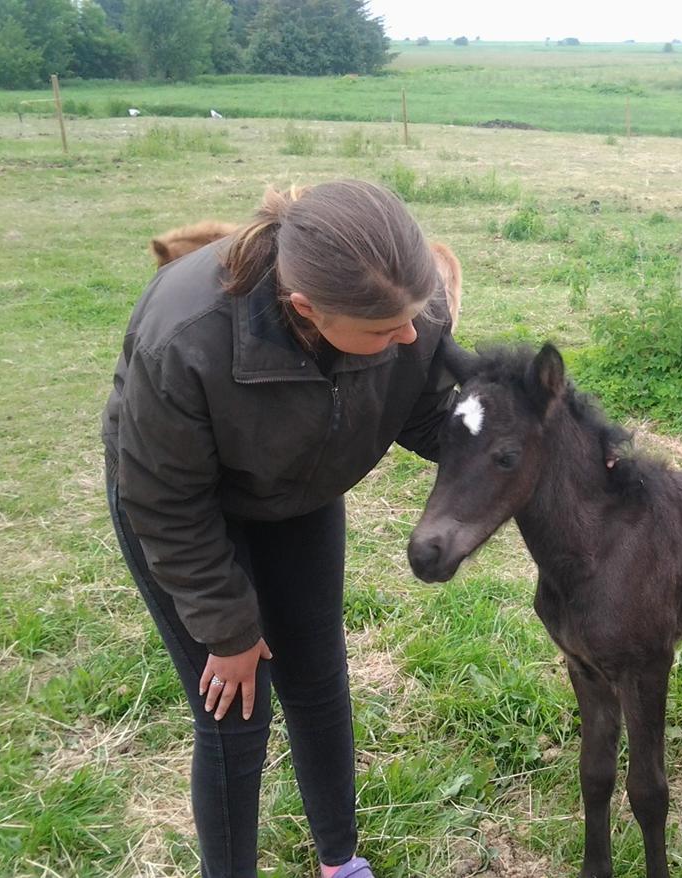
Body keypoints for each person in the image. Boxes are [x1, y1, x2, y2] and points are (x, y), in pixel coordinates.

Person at [102, 180, 460, 878]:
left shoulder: (403, 304)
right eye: (387, 332)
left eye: (414, 320)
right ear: (307, 310)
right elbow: (166, 503)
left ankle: (339, 861)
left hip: (298, 490)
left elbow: (419, 407)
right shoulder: (185, 336)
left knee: (318, 679)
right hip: (184, 509)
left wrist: (534, 446)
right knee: (235, 714)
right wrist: (230, 632)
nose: (411, 338)